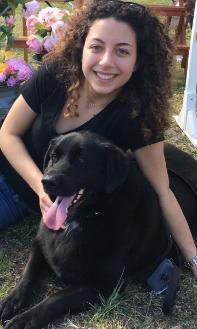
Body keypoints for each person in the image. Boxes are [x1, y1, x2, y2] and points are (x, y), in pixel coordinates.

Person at [0, 0, 196, 277]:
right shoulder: (56, 74)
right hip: (11, 170)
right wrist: (39, 186)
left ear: (139, 60)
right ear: (82, 47)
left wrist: (193, 259)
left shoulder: (137, 116)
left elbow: (163, 191)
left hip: (22, 200)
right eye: (97, 47)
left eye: (122, 51)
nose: (106, 62)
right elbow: (8, 133)